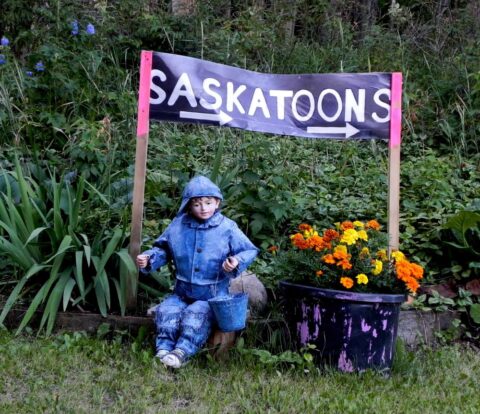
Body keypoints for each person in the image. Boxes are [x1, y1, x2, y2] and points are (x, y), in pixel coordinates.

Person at [137, 176, 258, 368]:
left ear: (217, 202)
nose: (203, 208)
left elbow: (249, 250)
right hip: (182, 292)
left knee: (196, 316)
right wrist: (149, 258)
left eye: (208, 203)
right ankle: (163, 349)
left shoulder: (227, 228)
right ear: (188, 205)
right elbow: (163, 249)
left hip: (211, 294)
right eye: (197, 204)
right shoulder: (178, 226)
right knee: (168, 312)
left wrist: (236, 261)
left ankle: (182, 351)